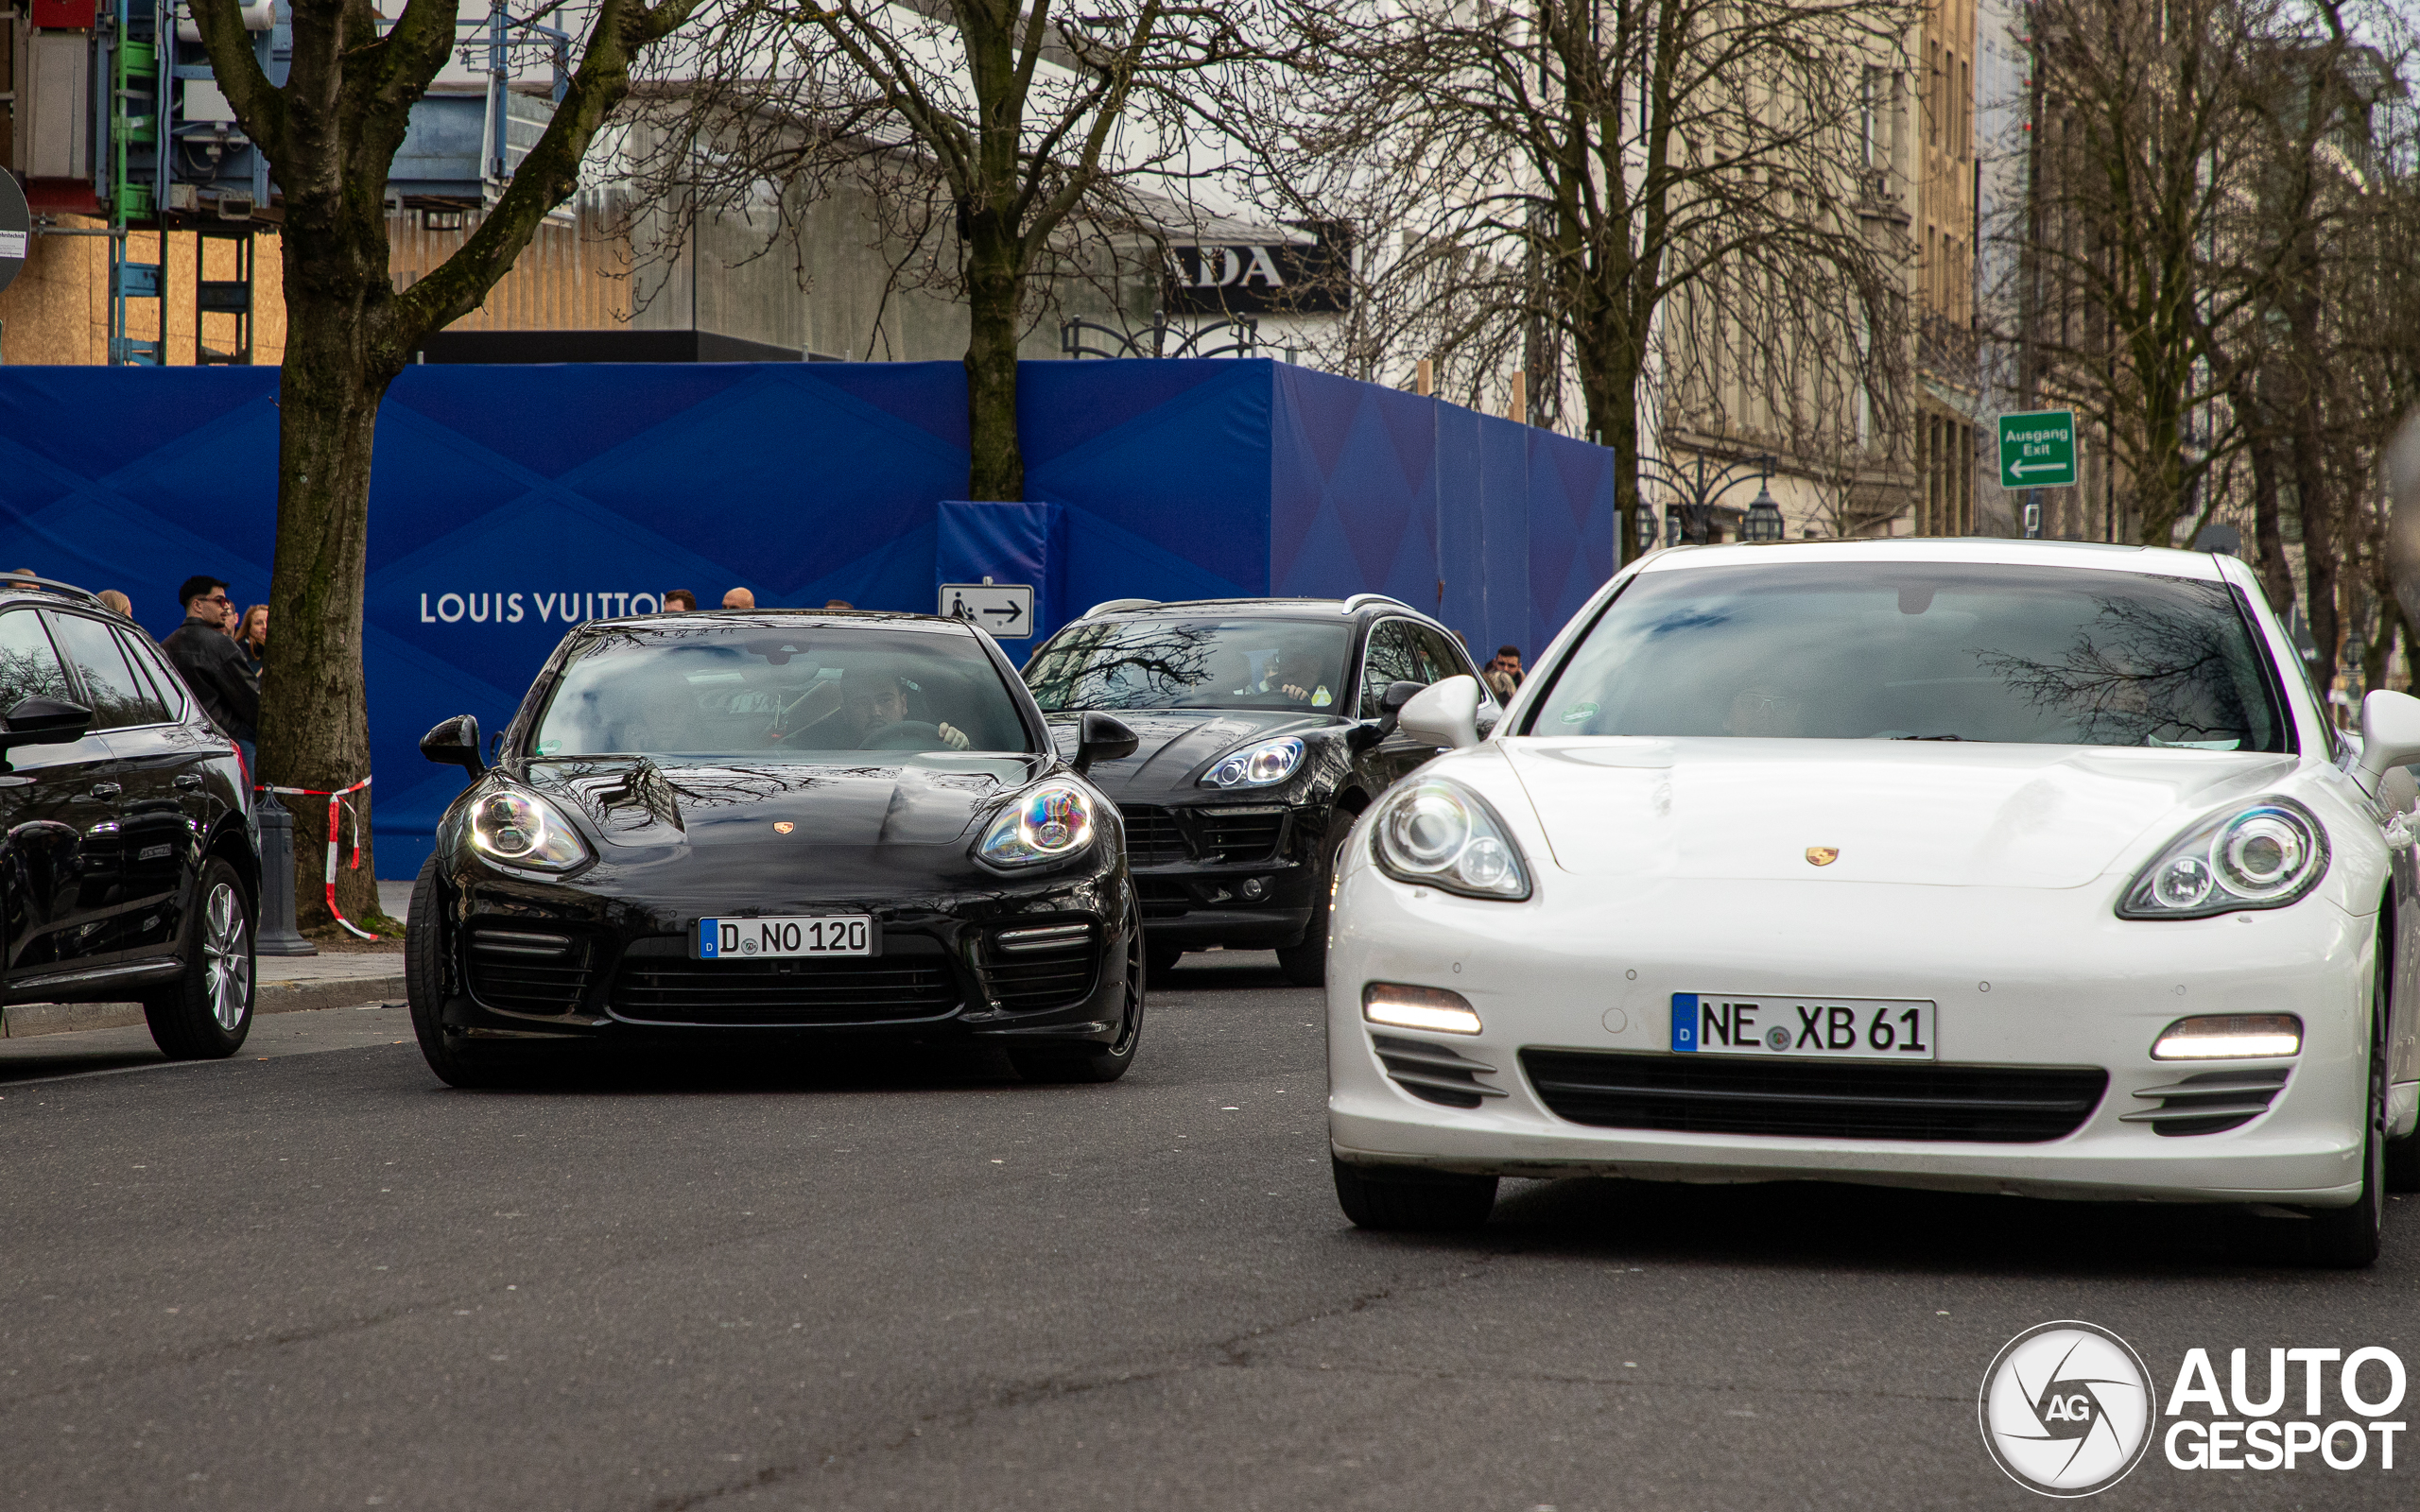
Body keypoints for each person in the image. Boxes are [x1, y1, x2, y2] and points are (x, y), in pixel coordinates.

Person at [163, 576, 260, 766]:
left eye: (226, 601)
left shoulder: (164, 647)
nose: (225, 607)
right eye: (219, 601)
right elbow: (252, 704)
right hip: (222, 749)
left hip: (176, 749)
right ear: (198, 605)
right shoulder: (221, 645)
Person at [837, 667, 969, 749]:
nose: (875, 712)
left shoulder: (931, 743)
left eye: (885, 700)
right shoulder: (825, 754)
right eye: (861, 703)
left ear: (903, 704)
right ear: (845, 712)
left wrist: (956, 745)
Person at [233, 604, 268, 674]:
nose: (265, 626)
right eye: (258, 623)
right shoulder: (241, 653)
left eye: (268, 622)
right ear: (248, 628)